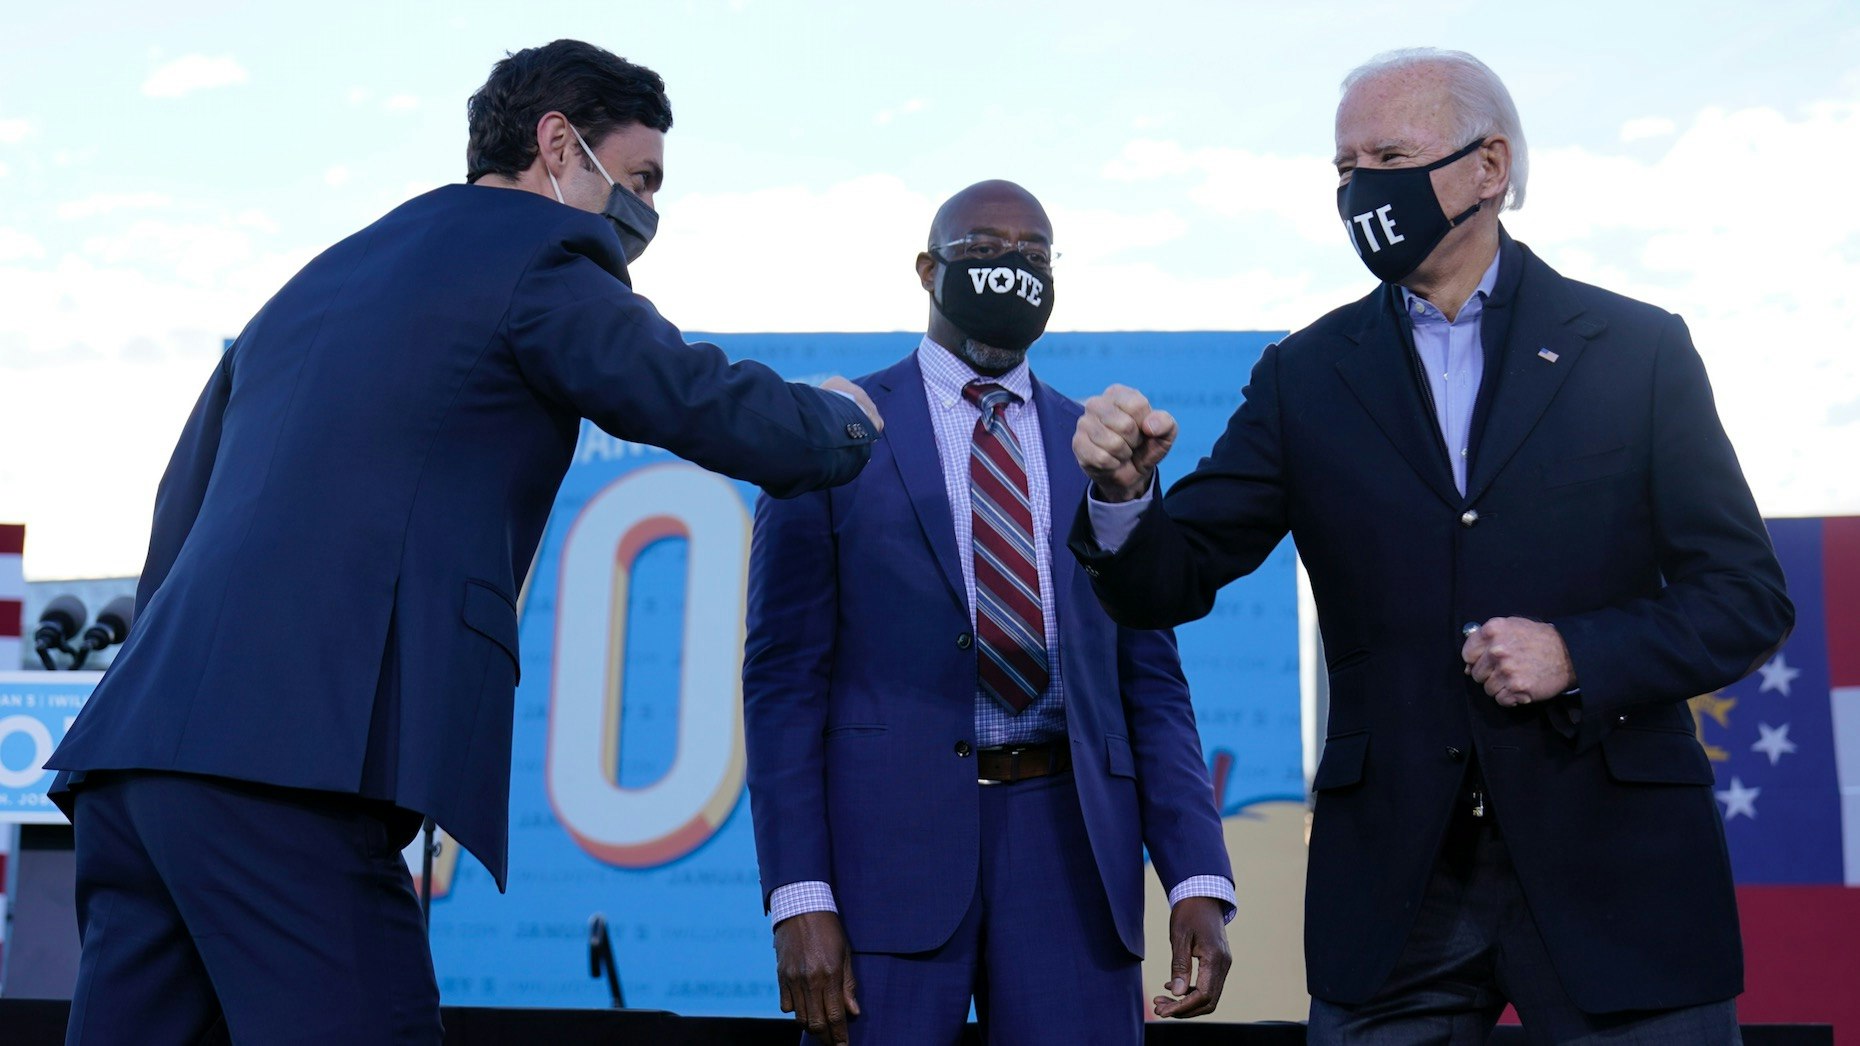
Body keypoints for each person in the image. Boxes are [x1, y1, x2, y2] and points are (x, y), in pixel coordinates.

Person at [45, 39, 881, 1045]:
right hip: (289, 774)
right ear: (559, 146)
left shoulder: (317, 281)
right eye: (643, 178)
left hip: (135, 764)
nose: (648, 214)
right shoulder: (540, 253)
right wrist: (839, 423)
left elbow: (181, 511)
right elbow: (683, 392)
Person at [1070, 48, 1792, 1045]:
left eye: (1389, 155)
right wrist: (1122, 493)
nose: (1362, 188)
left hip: (1615, 872)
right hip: (1396, 891)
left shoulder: (1636, 351)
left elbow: (1746, 596)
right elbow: (1166, 578)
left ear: (1489, 167)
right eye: (1344, 167)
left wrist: (1578, 651)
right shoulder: (1307, 375)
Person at [742, 180, 1233, 1045]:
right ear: (928, 269)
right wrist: (798, 896)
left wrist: (1195, 873)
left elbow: (1150, 682)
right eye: (985, 250)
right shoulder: (833, 429)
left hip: (1071, 857)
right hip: (882, 865)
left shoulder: (1101, 446)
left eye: (1034, 256)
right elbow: (783, 682)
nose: (1012, 269)